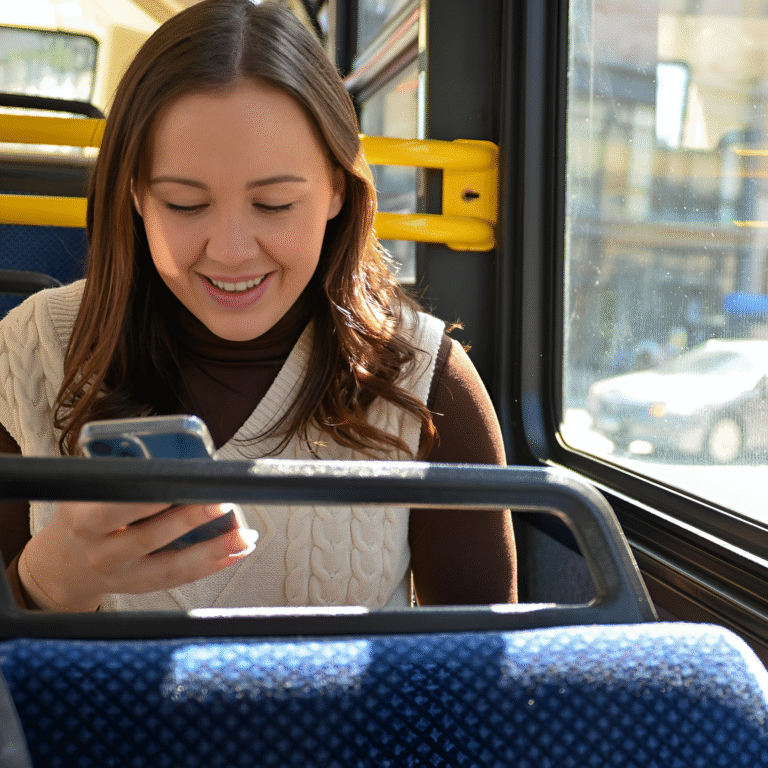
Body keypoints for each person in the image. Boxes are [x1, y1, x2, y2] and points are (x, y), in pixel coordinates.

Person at [0, 0, 516, 612]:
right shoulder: (32, 347)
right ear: (135, 195)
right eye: (185, 205)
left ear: (336, 191)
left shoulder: (428, 381)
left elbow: (483, 685)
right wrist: (42, 585)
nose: (232, 252)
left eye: (273, 205)